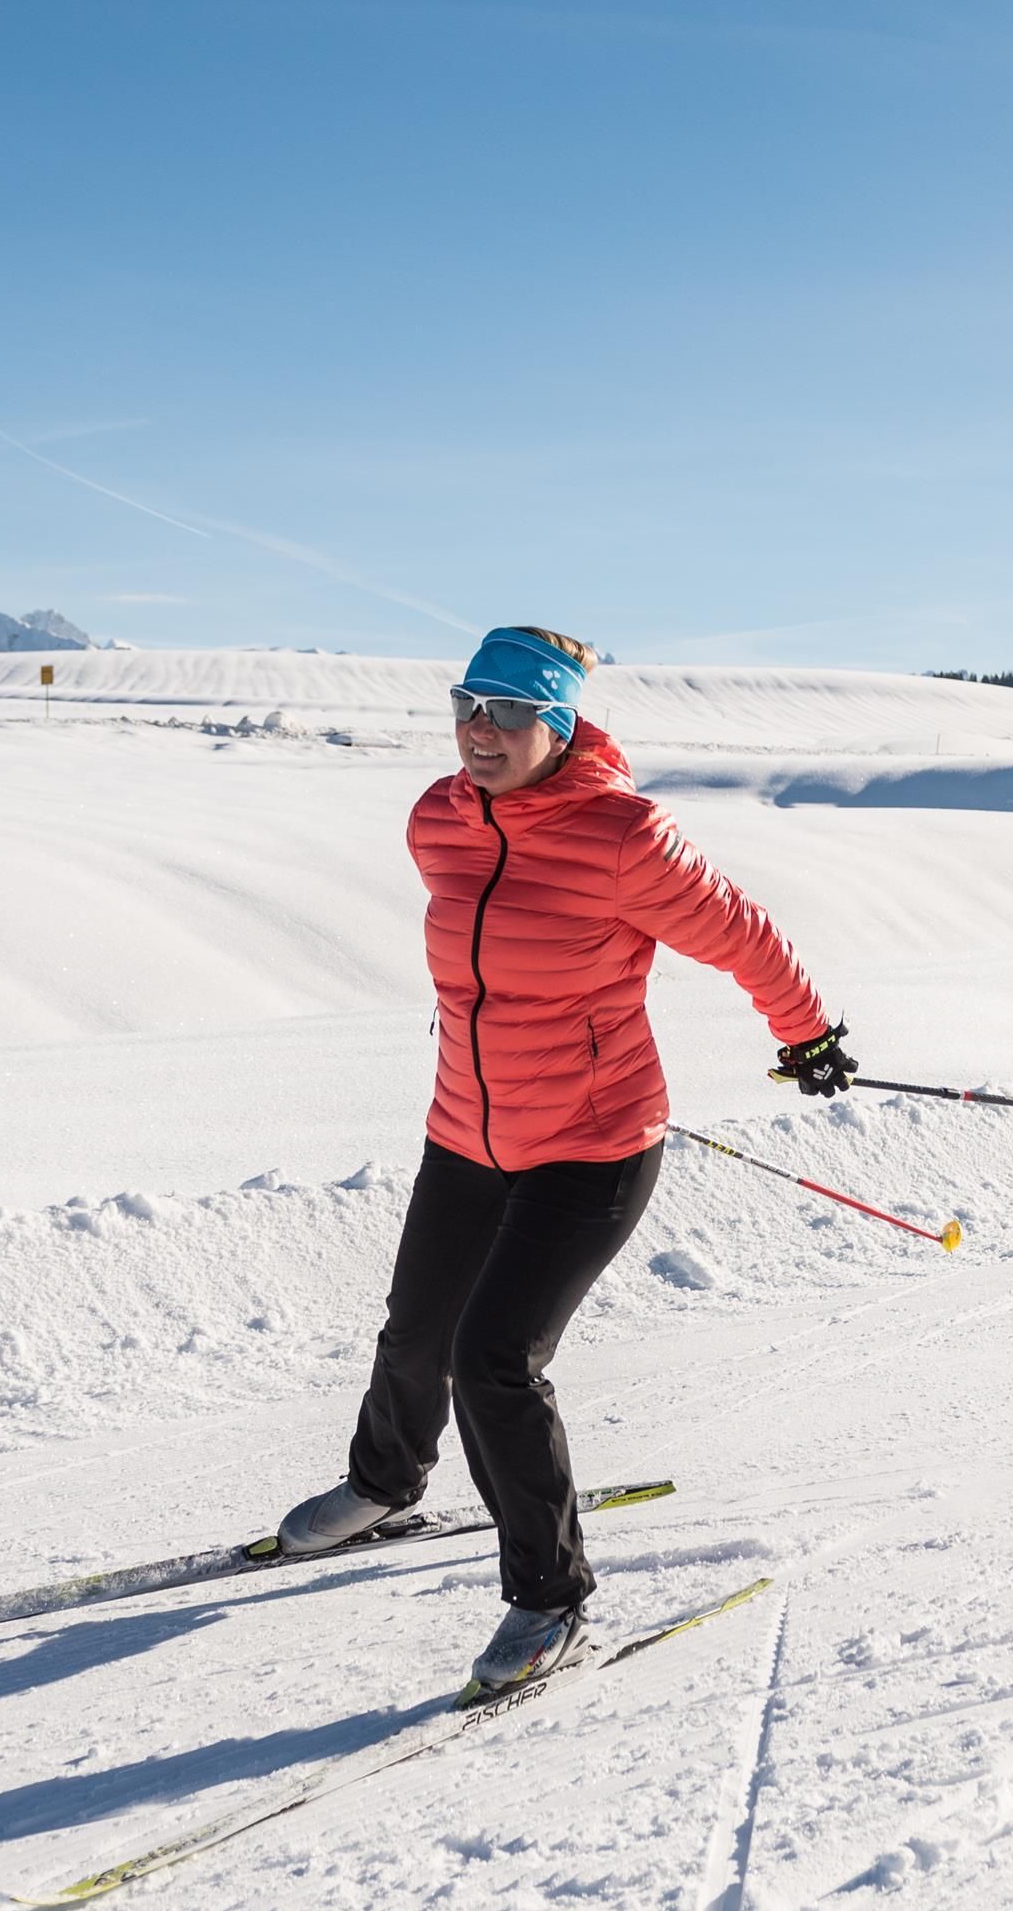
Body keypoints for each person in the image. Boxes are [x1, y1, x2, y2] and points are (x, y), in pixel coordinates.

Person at [276, 626, 857, 1698]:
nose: (477, 731)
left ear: (557, 724)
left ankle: (550, 1599)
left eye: (505, 713)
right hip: (466, 1128)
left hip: (592, 1143)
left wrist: (806, 1034)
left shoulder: (624, 835)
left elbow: (741, 932)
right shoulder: (437, 821)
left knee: (493, 1358)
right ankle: (384, 1482)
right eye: (465, 706)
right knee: (416, 1328)